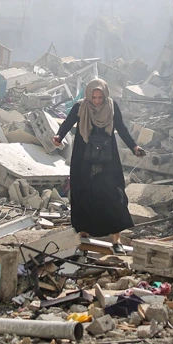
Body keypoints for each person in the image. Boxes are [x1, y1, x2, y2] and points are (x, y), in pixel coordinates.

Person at [52, 78, 146, 243]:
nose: (96, 101)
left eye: (99, 98)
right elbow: (68, 123)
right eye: (93, 98)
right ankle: (84, 233)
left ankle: (115, 239)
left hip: (107, 158)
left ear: (105, 96)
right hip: (83, 158)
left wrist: (134, 147)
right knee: (83, 193)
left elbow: (121, 128)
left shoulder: (112, 107)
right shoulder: (80, 107)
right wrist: (59, 136)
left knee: (112, 195)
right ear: (88, 95)